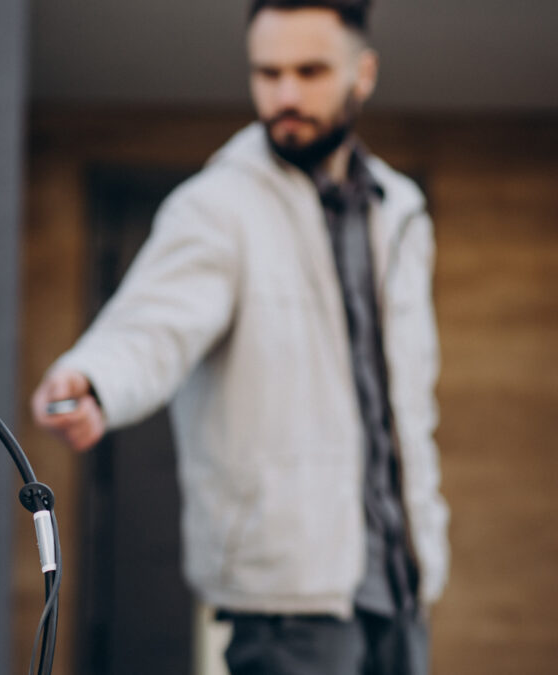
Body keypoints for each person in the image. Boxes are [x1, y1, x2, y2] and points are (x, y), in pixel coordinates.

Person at [30, 1, 449, 672]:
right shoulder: (218, 206)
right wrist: (96, 379)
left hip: (401, 586)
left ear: (362, 74)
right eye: (267, 72)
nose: (285, 94)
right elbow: (152, 325)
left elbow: (407, 402)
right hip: (286, 599)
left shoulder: (399, 213)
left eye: (310, 71)